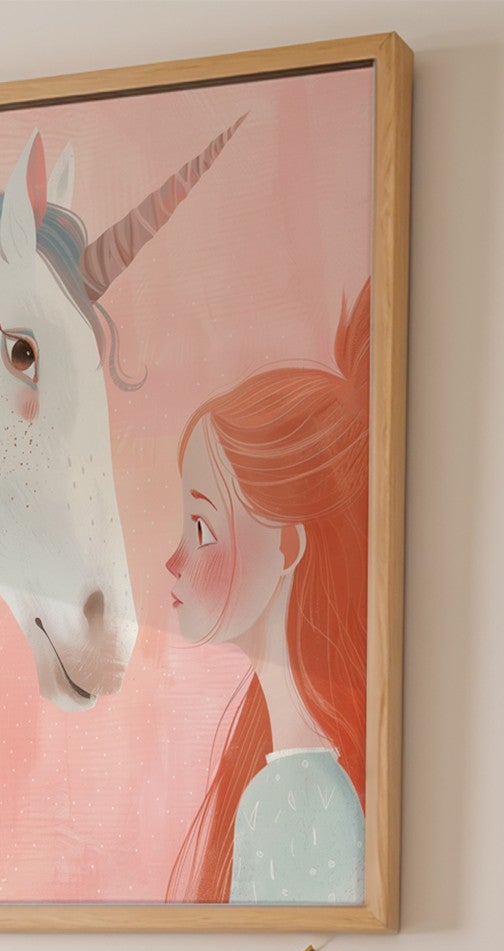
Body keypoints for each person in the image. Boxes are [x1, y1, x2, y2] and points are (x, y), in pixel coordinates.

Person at [165, 286, 370, 905]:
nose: (174, 559)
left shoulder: (298, 795)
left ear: (287, 550)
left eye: (201, 528)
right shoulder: (291, 775)